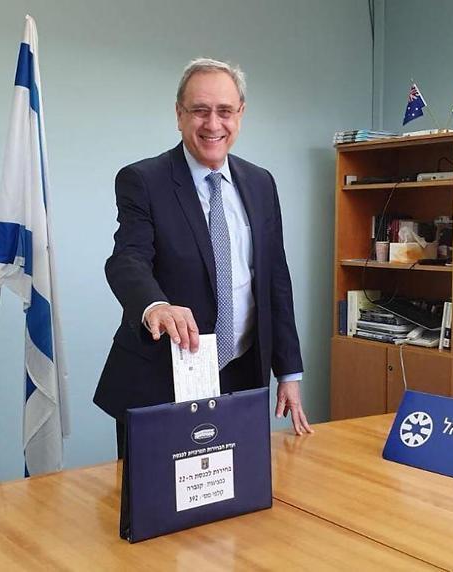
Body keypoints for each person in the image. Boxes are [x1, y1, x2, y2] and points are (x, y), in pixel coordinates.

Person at [94, 58, 312, 458]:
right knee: (157, 510)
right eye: (200, 110)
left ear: (240, 115)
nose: (214, 124)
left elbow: (275, 281)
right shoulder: (143, 180)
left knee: (236, 505)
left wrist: (289, 372)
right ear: (179, 114)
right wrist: (155, 304)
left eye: (225, 111)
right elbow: (128, 258)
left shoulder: (261, 183)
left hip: (243, 377)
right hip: (162, 380)